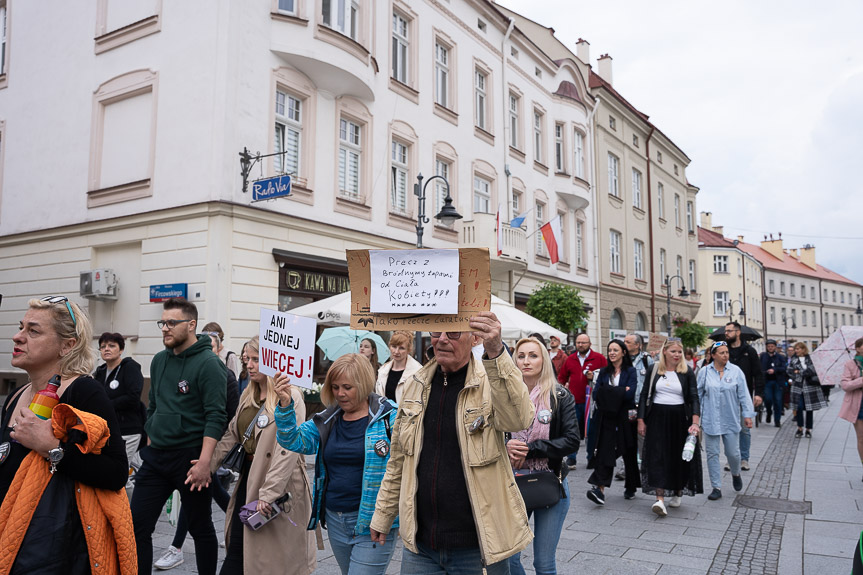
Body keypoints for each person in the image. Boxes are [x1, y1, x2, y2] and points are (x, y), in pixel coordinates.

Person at [369, 312, 535, 573]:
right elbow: (399, 459)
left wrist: (496, 351)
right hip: (421, 546)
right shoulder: (415, 385)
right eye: (436, 332)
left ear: (475, 338)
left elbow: (519, 418)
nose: (443, 340)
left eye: (453, 333)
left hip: (477, 547)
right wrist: (383, 515)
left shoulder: (489, 382)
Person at [1, 296, 132, 572]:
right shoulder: (15, 397)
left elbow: (117, 472)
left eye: (33, 331)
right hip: (11, 540)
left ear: (67, 346)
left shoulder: (83, 392)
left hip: (55, 554)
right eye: (21, 327)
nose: (17, 337)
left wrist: (51, 448)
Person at [275, 354, 398, 575]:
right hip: (335, 520)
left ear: (362, 384)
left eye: (347, 387)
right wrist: (285, 405)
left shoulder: (389, 417)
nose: (340, 393)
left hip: (374, 522)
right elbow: (292, 440)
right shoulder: (328, 418)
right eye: (335, 387)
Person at [131, 298, 227, 575]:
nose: (165, 328)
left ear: (191, 325)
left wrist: (204, 463)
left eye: (172, 323)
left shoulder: (209, 363)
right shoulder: (160, 360)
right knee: (137, 526)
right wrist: (151, 438)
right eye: (163, 322)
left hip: (190, 458)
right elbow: (155, 405)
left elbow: (215, 416)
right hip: (156, 458)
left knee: (200, 528)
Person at [212, 337, 315, 574]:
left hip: (279, 485)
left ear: (273, 361)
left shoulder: (291, 396)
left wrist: (269, 494)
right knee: (239, 547)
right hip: (249, 477)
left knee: (275, 559)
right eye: (247, 359)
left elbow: (286, 451)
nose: (249, 365)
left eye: (256, 359)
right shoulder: (248, 395)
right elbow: (232, 434)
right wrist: (207, 465)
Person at [156, 331, 240, 570]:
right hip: (187, 446)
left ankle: (176, 547)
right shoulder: (186, 372)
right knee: (204, 492)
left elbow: (229, 419)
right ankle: (236, 526)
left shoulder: (226, 376)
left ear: (218, 350)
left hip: (210, 448)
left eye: (210, 347)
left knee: (195, 490)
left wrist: (211, 450)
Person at [506, 337, 579, 575]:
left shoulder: (560, 395)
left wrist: (530, 449)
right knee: (509, 559)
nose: (526, 361)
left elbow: (572, 440)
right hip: (513, 484)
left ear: (544, 360)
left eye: (533, 355)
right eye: (521, 355)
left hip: (551, 482)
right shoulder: (505, 395)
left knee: (544, 564)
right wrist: (507, 445)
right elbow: (491, 433)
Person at [638, 339, 702, 516]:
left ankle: (678, 489)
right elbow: (644, 395)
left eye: (679, 352)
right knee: (657, 455)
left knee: (676, 456)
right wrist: (641, 420)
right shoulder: (654, 369)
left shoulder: (687, 372)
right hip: (657, 417)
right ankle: (659, 499)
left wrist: (695, 422)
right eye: (673, 351)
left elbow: (694, 398)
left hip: (680, 418)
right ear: (664, 352)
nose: (677, 355)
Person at [697, 341, 755, 501]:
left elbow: (744, 394)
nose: (725, 355)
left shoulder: (736, 371)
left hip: (730, 418)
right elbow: (698, 394)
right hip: (710, 419)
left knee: (733, 453)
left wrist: (748, 415)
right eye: (722, 353)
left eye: (727, 352)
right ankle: (716, 487)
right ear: (713, 355)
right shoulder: (704, 372)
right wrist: (695, 416)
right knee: (712, 454)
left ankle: (736, 473)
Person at [586, 340, 639, 505]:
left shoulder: (630, 371)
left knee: (628, 451)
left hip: (625, 418)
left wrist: (609, 393)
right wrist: (621, 391)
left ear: (623, 352)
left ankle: (631, 486)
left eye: (616, 350)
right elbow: (597, 394)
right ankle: (599, 488)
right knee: (605, 451)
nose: (612, 353)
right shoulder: (603, 372)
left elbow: (630, 395)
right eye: (610, 350)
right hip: (607, 417)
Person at [94, 331, 145, 486]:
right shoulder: (100, 371)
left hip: (128, 430)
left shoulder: (130, 368)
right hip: (107, 430)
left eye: (111, 346)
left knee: (121, 474)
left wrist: (106, 405)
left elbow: (133, 397)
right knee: (108, 472)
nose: (106, 349)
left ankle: (130, 509)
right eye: (103, 347)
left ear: (121, 349)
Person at [557, 333, 607, 469]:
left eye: (583, 342)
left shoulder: (599, 358)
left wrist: (594, 376)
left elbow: (607, 376)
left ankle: (591, 457)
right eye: (578, 342)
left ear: (590, 344)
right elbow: (562, 378)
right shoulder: (570, 359)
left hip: (592, 403)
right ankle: (571, 458)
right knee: (573, 430)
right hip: (574, 401)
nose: (580, 345)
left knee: (591, 431)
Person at [724, 322, 763, 471]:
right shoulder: (724, 351)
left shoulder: (749, 351)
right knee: (729, 429)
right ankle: (731, 458)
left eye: (729, 331)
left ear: (738, 332)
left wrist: (759, 393)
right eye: (726, 331)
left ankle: (744, 458)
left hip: (744, 396)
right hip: (726, 396)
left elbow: (758, 374)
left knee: (744, 429)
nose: (726, 333)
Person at [789, 342, 827, 438]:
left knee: (810, 409)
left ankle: (808, 429)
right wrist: (799, 373)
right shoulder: (793, 360)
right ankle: (799, 428)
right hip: (797, 387)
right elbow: (789, 371)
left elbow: (812, 371)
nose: (796, 351)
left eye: (798, 349)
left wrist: (799, 372)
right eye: (795, 349)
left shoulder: (810, 359)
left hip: (810, 387)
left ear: (803, 349)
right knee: (799, 407)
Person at [375, 330, 423, 404]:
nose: (396, 351)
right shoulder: (382, 370)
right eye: (394, 346)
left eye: (401, 348)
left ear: (408, 350)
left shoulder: (418, 372)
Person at [839, 337, 863, 482]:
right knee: (861, 438)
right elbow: (845, 385)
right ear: (857, 348)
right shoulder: (850, 364)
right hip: (859, 404)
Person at [760, 339, 788, 427]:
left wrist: (775, 370)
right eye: (769, 346)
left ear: (775, 347)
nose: (770, 348)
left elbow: (784, 368)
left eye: (772, 346)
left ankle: (777, 420)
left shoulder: (780, 357)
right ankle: (769, 412)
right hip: (767, 381)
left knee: (778, 401)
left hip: (778, 381)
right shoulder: (763, 356)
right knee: (768, 399)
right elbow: (759, 367)